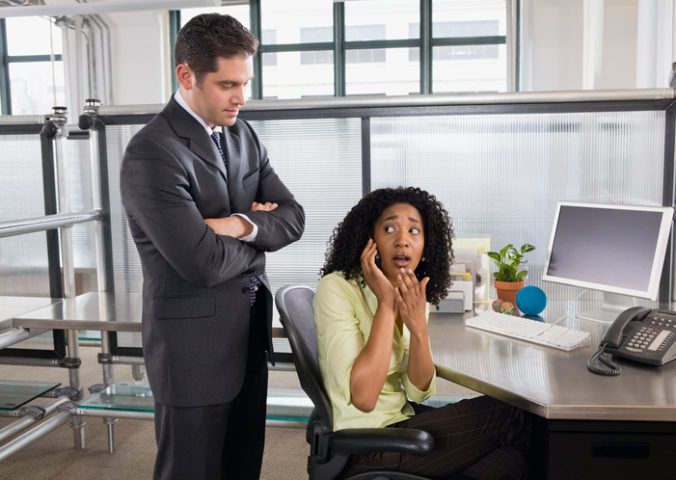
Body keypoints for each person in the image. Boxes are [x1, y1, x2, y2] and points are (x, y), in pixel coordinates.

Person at [120, 13, 305, 480]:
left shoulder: (242, 134)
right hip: (192, 354)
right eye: (227, 84)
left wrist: (239, 226)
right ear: (187, 75)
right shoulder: (152, 153)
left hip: (247, 341)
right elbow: (201, 262)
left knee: (243, 468)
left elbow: (294, 217)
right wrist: (262, 230)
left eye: (244, 83)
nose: (241, 98)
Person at [314, 187, 530, 480]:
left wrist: (418, 330)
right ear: (370, 239)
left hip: (403, 420)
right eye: (389, 228)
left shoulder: (414, 290)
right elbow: (364, 398)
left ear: (426, 246)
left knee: (511, 462)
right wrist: (387, 305)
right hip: (367, 445)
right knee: (515, 414)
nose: (402, 240)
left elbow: (417, 390)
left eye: (413, 231)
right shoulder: (337, 288)